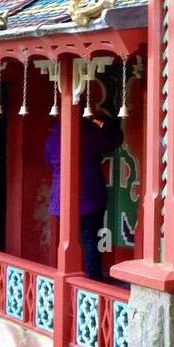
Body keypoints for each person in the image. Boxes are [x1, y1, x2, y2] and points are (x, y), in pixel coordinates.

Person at [44, 113, 123, 281]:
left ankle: (68, 277)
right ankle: (93, 280)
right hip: (89, 196)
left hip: (60, 197)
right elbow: (114, 140)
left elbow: (49, 159)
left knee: (70, 238)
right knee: (90, 238)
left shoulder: (54, 133)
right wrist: (109, 121)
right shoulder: (88, 131)